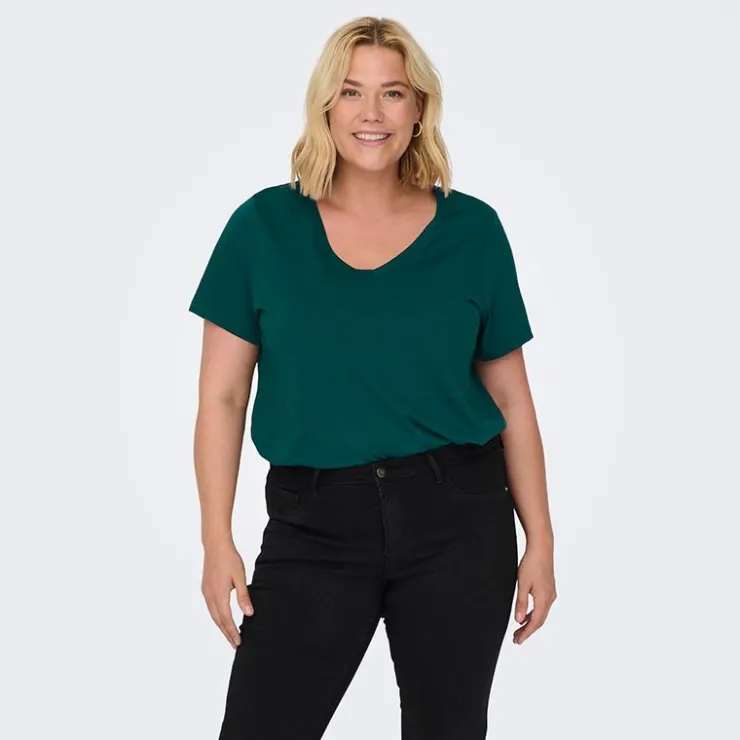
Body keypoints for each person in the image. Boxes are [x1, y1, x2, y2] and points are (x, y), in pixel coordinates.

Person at [188, 15, 556, 740]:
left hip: (459, 520)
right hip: (315, 522)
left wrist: (539, 538)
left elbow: (511, 396)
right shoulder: (261, 228)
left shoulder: (473, 232)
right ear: (325, 105)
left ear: (419, 109)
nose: (372, 113)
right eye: (352, 91)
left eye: (392, 93)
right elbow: (223, 397)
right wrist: (215, 538)